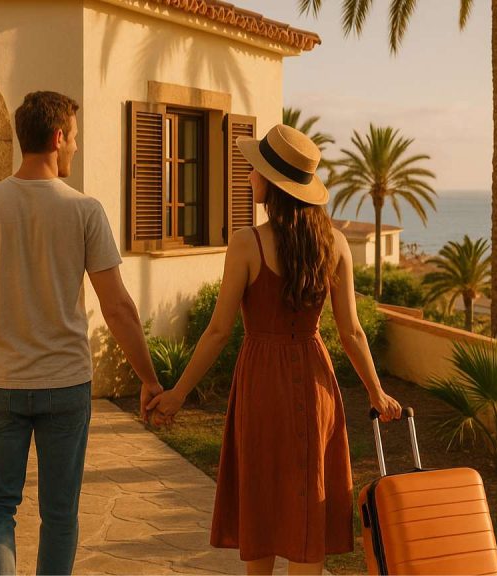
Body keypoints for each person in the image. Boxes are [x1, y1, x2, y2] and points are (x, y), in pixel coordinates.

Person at [0, 91, 163, 575]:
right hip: (65, 385)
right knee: (59, 513)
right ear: (57, 137)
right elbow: (117, 306)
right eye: (74, 138)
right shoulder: (85, 210)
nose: (75, 146)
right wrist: (150, 379)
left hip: (1, 383)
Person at [147, 124, 402, 575]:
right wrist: (376, 392)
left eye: (255, 169)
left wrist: (178, 394)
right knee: (308, 504)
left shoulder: (247, 243)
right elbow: (352, 332)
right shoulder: (335, 243)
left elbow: (218, 331)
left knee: (261, 505)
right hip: (316, 381)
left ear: (271, 182)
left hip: (262, 384)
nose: (249, 175)